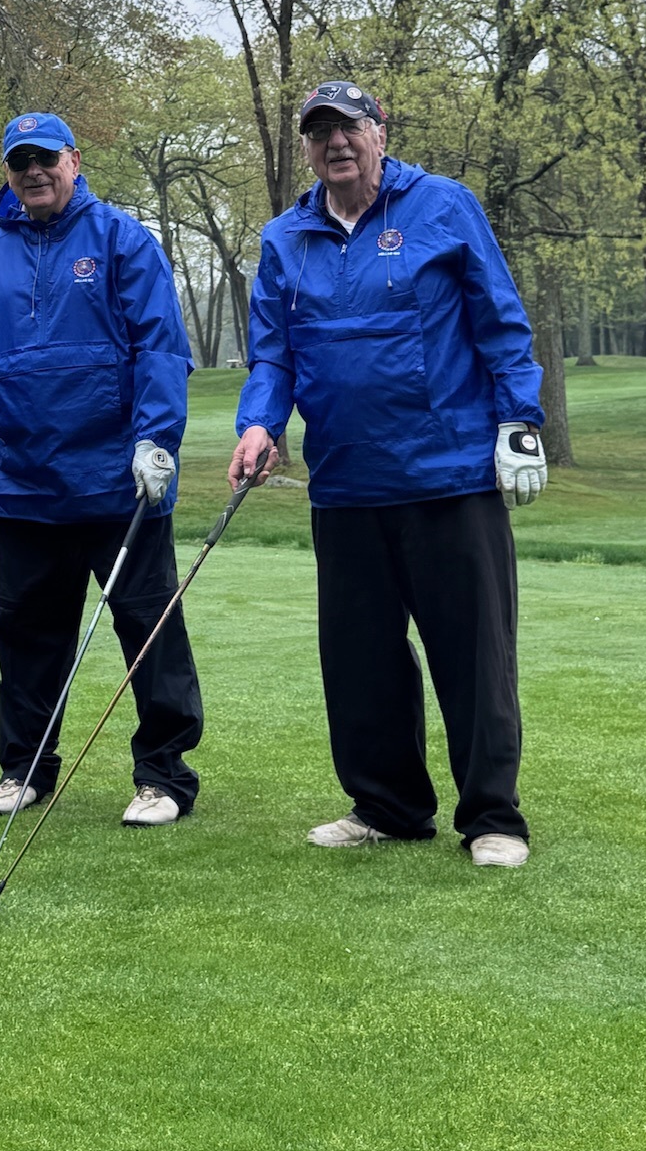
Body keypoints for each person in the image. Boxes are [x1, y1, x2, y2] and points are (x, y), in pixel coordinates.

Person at [228, 79, 547, 868]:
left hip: (449, 477)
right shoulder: (285, 238)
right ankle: (388, 807)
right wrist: (260, 423)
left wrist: (519, 421)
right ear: (307, 147)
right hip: (346, 482)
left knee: (473, 657)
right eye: (320, 132)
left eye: (349, 127)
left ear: (379, 131)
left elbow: (499, 320)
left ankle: (493, 817)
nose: (336, 142)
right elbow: (274, 353)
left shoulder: (442, 205)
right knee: (360, 660)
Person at [0, 111, 203, 828]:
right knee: (26, 635)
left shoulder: (122, 238)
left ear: (73, 160)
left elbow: (160, 347)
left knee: (147, 629)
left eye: (45, 158)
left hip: (118, 477)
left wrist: (156, 439)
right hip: (24, 480)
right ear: (9, 172)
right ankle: (24, 769)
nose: (33, 172)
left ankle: (163, 776)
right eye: (19, 162)